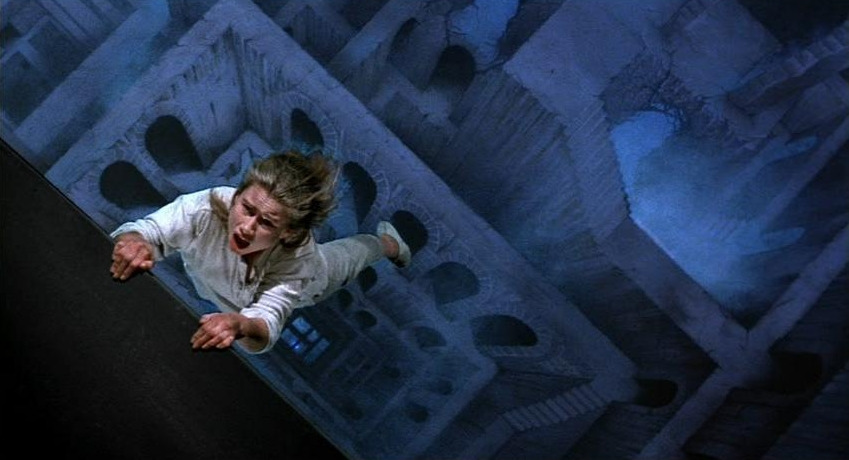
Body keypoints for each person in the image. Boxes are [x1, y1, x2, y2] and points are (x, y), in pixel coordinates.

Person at [109, 150, 410, 354]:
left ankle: (387, 243)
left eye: (266, 222)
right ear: (237, 196)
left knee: (349, 257)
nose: (247, 227)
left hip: (313, 283)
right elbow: (147, 231)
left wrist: (240, 324)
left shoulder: (300, 259)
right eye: (247, 209)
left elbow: (267, 321)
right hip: (205, 279)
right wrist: (135, 243)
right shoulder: (204, 207)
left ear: (288, 232)